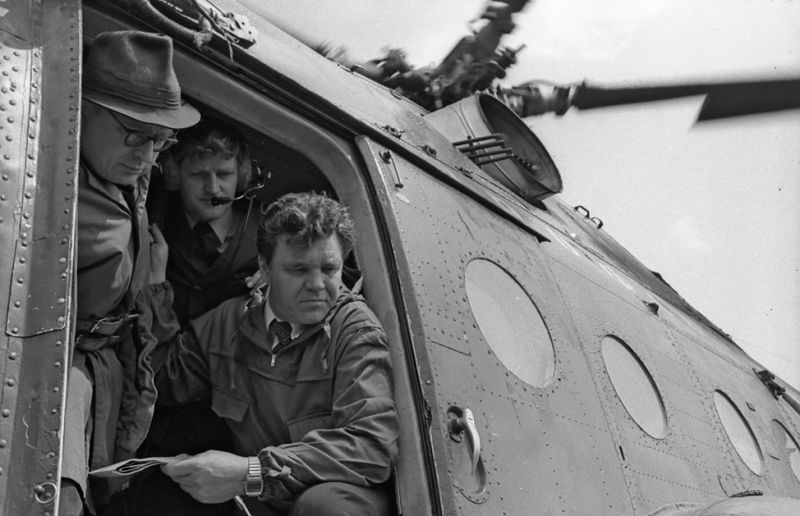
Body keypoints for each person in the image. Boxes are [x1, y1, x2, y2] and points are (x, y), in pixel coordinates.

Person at [147, 192, 399, 515]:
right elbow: (163, 377)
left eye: (329, 268)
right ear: (265, 268)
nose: (317, 284)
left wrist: (251, 472)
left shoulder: (354, 332)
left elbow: (372, 445)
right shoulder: (231, 321)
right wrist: (155, 286)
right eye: (299, 269)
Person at [63, 30, 200, 515]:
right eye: (135, 134)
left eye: (160, 142)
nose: (146, 157)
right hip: (59, 378)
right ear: (82, 106)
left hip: (106, 375)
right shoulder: (49, 186)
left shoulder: (130, 179)